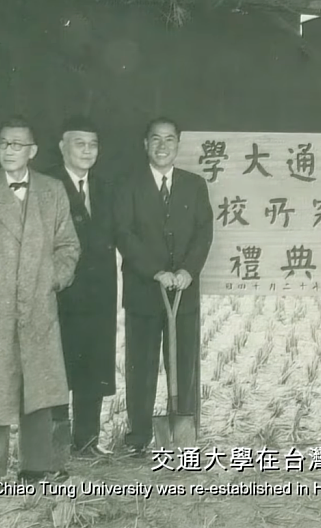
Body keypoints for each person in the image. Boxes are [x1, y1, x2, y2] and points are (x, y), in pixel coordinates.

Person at [0, 116, 80, 492]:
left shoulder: (53, 191)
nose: (9, 151)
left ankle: (36, 467)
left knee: (38, 384)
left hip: (39, 304)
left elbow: (69, 246)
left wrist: (52, 280)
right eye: (4, 143)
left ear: (33, 151)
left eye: (17, 145)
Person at [114, 117, 213, 456]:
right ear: (145, 144)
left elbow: (204, 232)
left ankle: (182, 435)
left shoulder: (195, 185)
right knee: (140, 367)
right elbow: (123, 234)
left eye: (169, 139)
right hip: (144, 291)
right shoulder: (128, 185)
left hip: (184, 293)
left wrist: (188, 271)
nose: (162, 145)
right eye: (155, 139)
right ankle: (139, 436)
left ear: (178, 144)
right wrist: (155, 271)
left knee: (182, 365)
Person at [48, 117, 117, 472]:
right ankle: (55, 445)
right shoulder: (46, 185)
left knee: (93, 364)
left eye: (92, 144)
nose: (87, 151)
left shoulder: (105, 186)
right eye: (79, 143)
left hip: (100, 294)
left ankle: (87, 442)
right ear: (62, 146)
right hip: (61, 294)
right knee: (58, 365)